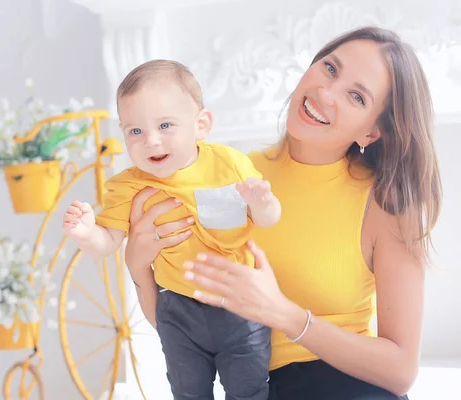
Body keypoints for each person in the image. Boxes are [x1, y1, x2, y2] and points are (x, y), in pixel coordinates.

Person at [122, 26, 442, 400]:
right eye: (330, 69)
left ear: (372, 132)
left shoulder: (386, 205)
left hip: (346, 387)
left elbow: (401, 372)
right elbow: (186, 327)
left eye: (356, 96)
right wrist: (139, 269)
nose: (326, 92)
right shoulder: (228, 176)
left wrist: (285, 315)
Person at [63, 59, 282, 399]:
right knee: (187, 391)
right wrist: (86, 233)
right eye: (135, 131)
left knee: (249, 389)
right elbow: (109, 243)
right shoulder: (128, 186)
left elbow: (268, 220)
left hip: (240, 303)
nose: (151, 141)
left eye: (165, 125)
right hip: (178, 309)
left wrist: (262, 202)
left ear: (201, 125)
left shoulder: (229, 164)